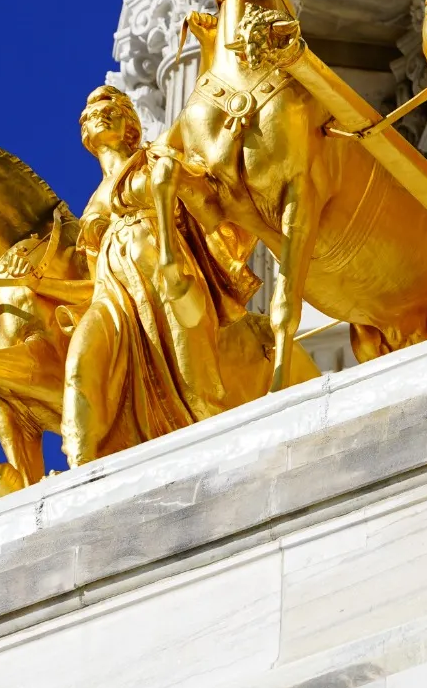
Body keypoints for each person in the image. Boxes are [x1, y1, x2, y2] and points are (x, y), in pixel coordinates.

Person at [61, 86, 310, 465]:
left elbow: (208, 203)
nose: (95, 112)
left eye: (108, 106)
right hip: (111, 294)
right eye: (89, 111)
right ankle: (78, 474)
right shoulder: (92, 203)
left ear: (130, 123)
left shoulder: (155, 157)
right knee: (79, 365)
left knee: (197, 384)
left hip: (168, 270)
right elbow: (84, 279)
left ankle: (225, 454)